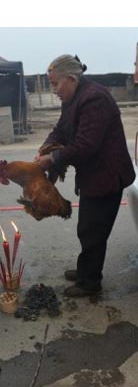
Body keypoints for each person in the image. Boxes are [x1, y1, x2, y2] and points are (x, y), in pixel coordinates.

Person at [37, 54, 136, 298]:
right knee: (88, 228)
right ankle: (86, 269)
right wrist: (46, 148)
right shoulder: (72, 99)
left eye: (55, 84)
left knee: (93, 230)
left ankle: (90, 281)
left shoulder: (94, 99)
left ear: (71, 79)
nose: (54, 90)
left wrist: (53, 159)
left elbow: (85, 145)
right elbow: (60, 130)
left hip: (107, 177)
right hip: (94, 175)